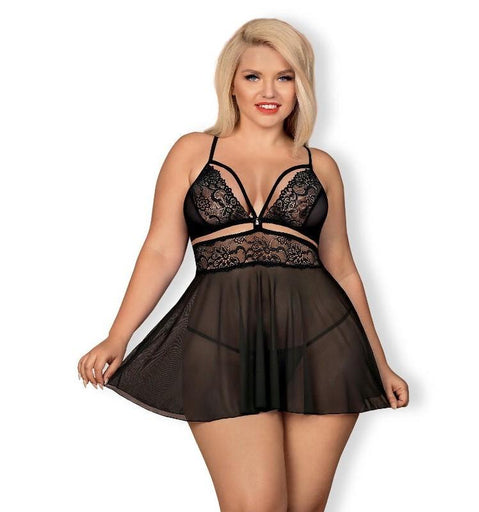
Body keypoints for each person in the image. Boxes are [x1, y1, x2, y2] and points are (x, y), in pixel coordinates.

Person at [77, 17, 409, 512]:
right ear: (231, 83)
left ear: (302, 85)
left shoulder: (322, 166)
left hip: (323, 346)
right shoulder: (193, 151)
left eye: (285, 77)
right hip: (222, 343)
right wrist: (117, 335)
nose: (268, 91)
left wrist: (380, 364)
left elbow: (342, 268)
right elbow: (162, 250)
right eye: (253, 76)